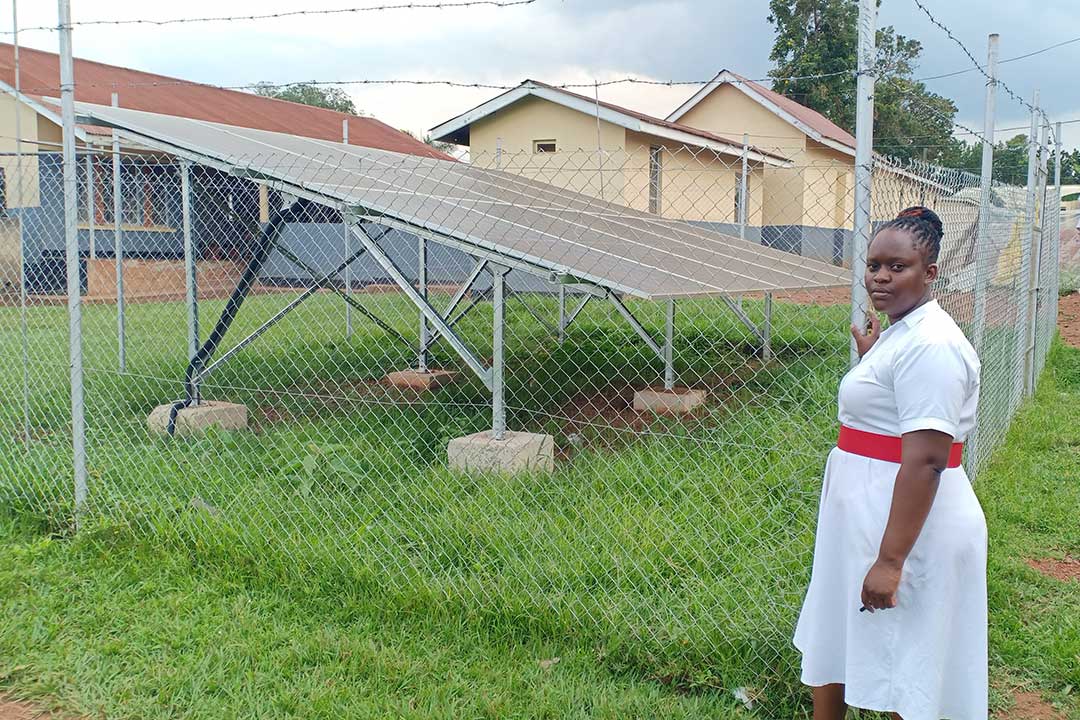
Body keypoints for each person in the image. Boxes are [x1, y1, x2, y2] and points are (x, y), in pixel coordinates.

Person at [793, 206, 987, 720]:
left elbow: (925, 460)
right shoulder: (904, 333)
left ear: (931, 274)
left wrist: (891, 560)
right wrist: (877, 357)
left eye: (897, 267)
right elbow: (891, 411)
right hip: (867, 513)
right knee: (852, 632)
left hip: (908, 526)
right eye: (874, 264)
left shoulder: (932, 344)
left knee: (912, 658)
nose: (880, 276)